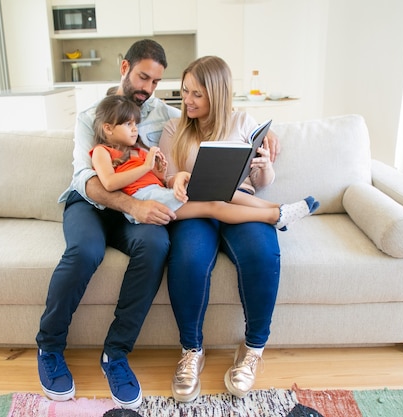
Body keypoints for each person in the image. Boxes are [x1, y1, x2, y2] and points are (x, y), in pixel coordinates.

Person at [158, 55, 319, 402]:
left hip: (240, 201)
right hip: (196, 209)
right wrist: (177, 178)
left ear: (217, 94)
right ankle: (191, 352)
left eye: (197, 94)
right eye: (185, 91)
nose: (187, 100)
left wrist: (263, 165)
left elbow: (260, 183)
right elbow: (167, 175)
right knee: (187, 260)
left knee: (263, 254)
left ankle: (253, 350)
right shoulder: (174, 128)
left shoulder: (244, 121)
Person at [35, 39, 181, 410]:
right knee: (85, 250)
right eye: (143, 77)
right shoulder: (90, 117)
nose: (147, 88)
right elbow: (88, 180)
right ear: (124, 68)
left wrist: (261, 130)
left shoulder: (164, 113)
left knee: (156, 245)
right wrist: (134, 204)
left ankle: (115, 354)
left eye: (155, 82)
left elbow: (210, 116)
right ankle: (49, 346)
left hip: (132, 212)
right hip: (90, 203)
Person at [90, 94, 317, 229]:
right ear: (108, 128)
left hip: (159, 193)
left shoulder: (137, 150)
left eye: (135, 124)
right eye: (128, 124)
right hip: (149, 203)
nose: (134, 129)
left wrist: (160, 170)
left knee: (220, 192)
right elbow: (109, 183)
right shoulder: (102, 151)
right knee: (213, 206)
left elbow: (158, 180)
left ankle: (279, 208)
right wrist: (146, 166)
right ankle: (274, 216)